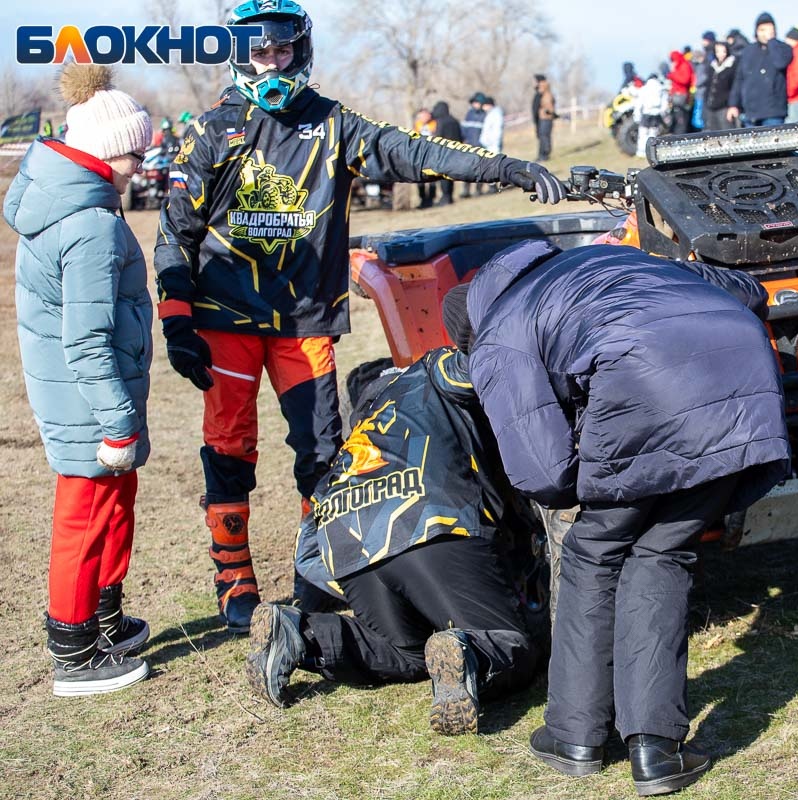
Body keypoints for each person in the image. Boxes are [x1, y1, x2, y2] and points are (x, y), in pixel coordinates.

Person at [154, 0, 568, 634]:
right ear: (239, 55)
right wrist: (177, 318)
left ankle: (316, 570)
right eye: (260, 53)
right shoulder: (216, 130)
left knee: (320, 451)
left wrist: (504, 167)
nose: (273, 64)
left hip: (305, 319)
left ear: (302, 51)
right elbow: (174, 230)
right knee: (230, 449)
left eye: (283, 51)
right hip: (226, 320)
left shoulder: (335, 125)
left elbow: (416, 151)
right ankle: (233, 576)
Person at [450, 241, 790, 795]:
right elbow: (746, 289)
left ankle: (574, 736)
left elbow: (543, 473)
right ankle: (655, 751)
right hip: (741, 387)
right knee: (660, 553)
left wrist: (589, 470)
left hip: (643, 383)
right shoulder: (602, 262)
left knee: (593, 553)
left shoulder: (497, 335)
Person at [247, 342, 541, 735]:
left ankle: (301, 635)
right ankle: (469, 650)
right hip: (431, 520)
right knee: (511, 644)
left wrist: (359, 577)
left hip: (347, 538)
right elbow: (488, 364)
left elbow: (308, 553)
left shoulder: (360, 427)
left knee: (408, 652)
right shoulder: (434, 368)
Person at [4, 63, 154, 696]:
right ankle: (73, 650)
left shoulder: (81, 202)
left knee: (110, 508)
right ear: (104, 150)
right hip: (90, 402)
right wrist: (117, 420)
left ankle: (103, 618)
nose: (142, 163)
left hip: (90, 395)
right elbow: (86, 337)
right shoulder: (89, 225)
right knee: (84, 518)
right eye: (134, 151)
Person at [727, 13, 794, 127]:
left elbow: (780, 63)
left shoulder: (783, 48)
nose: (765, 33)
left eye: (769, 29)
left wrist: (771, 41)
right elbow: (739, 79)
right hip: (750, 113)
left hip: (773, 112)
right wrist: (733, 104)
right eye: (762, 30)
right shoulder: (748, 51)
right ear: (756, 31)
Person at [430, 101, 463, 205]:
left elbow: (438, 137)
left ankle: (446, 197)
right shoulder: (455, 121)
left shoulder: (441, 122)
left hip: (444, 152)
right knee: (450, 176)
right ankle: (449, 196)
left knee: (443, 176)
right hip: (455, 150)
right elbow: (460, 137)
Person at [634, 72, 670, 158]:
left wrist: (637, 115)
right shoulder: (661, 88)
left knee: (643, 133)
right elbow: (664, 103)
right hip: (656, 113)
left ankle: (641, 151)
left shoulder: (644, 89)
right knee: (653, 133)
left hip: (646, 112)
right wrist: (664, 113)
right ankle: (651, 152)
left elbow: (639, 103)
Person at [705, 41, 739, 131]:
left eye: (723, 51)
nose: (720, 54)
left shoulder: (732, 66)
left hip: (725, 108)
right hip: (711, 106)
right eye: (718, 51)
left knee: (726, 133)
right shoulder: (712, 67)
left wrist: (732, 105)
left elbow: (734, 87)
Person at [460, 92, 487, 198]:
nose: (475, 105)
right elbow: (464, 129)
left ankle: (478, 189)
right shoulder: (469, 114)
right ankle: (466, 190)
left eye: (477, 103)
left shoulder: (485, 115)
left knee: (479, 169)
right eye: (474, 102)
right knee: (466, 169)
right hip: (469, 145)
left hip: (480, 146)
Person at [480, 96, 505, 194]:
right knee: (490, 166)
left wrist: (492, 142)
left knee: (493, 166)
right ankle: (492, 185)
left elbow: (496, 131)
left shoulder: (496, 115)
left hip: (493, 145)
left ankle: (494, 186)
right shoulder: (491, 114)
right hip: (489, 144)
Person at [666, 49, 695, 134]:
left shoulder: (684, 65)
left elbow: (685, 80)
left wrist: (673, 75)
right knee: (676, 117)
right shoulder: (678, 66)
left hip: (682, 95)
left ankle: (681, 135)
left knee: (681, 118)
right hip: (676, 95)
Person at [533, 74, 556, 161]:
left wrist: (547, 111)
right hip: (542, 117)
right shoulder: (543, 92)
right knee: (542, 136)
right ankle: (541, 155)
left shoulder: (544, 91)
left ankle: (544, 155)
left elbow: (548, 105)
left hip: (545, 118)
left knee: (544, 136)